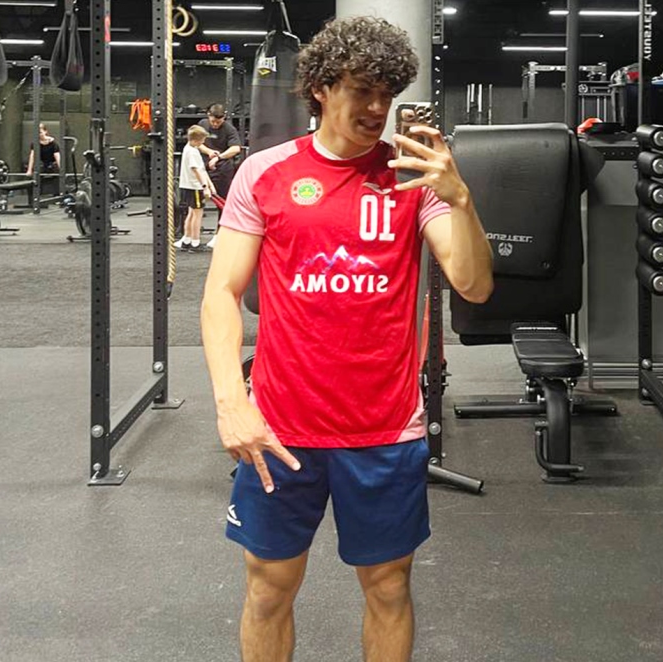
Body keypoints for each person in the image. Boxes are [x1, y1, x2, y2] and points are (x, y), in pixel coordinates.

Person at [200, 16, 493, 662]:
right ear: (321, 88)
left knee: (388, 588)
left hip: (384, 429)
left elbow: (474, 286)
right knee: (268, 589)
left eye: (387, 94)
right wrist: (231, 402)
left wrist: (461, 199)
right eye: (363, 90)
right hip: (281, 428)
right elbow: (221, 293)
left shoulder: (413, 178)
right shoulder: (264, 173)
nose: (378, 109)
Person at [198, 103, 242, 249]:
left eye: (219, 121)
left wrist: (219, 157)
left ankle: (219, 235)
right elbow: (196, 142)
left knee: (223, 203)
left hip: (222, 169)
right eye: (213, 121)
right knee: (193, 203)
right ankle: (190, 236)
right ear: (208, 116)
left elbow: (236, 148)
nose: (215, 124)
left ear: (224, 118)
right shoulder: (203, 124)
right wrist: (209, 152)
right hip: (202, 167)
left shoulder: (229, 129)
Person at [176, 125, 216, 251]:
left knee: (191, 213)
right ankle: (195, 243)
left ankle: (187, 240)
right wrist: (205, 187)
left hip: (188, 186)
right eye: (201, 141)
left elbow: (201, 169)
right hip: (195, 187)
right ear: (195, 140)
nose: (202, 143)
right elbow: (196, 170)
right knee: (197, 215)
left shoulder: (189, 148)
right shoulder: (192, 152)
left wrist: (210, 185)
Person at [26, 123, 61, 196]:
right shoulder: (35, 143)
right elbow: (32, 156)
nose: (39, 134)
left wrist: (61, 169)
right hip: (42, 164)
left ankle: (57, 195)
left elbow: (57, 156)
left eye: (40, 132)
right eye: (37, 133)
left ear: (45, 131)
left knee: (57, 175)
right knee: (36, 175)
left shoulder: (53, 143)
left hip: (52, 164)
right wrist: (29, 170)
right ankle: (36, 195)